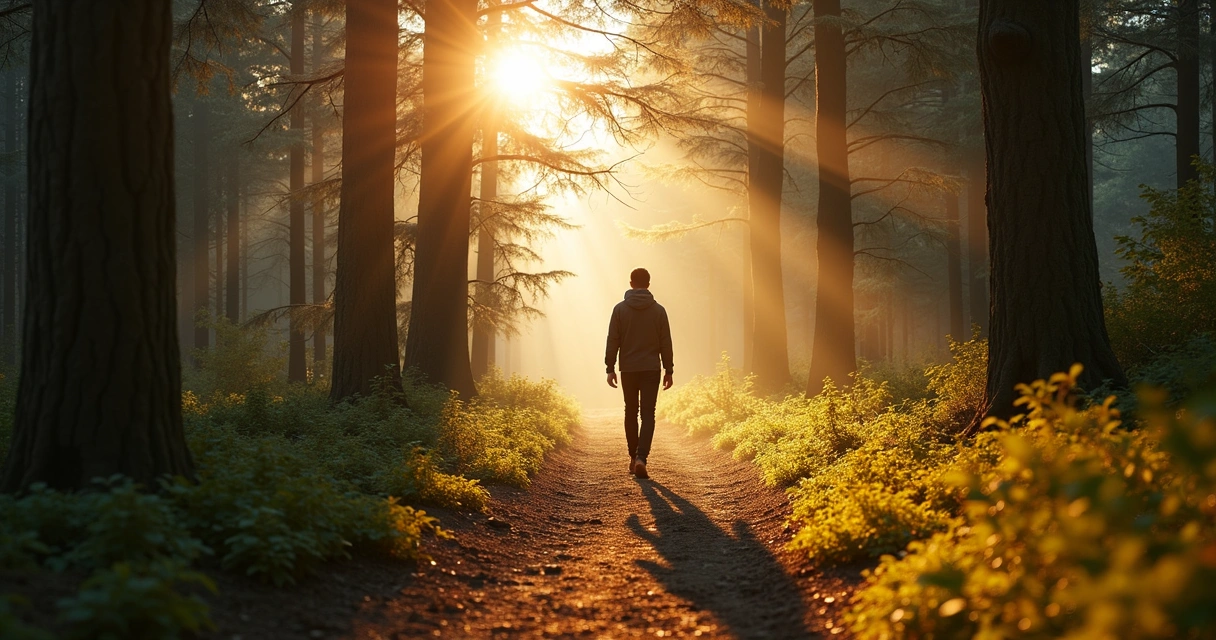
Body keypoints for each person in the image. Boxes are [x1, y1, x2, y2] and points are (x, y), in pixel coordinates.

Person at [605, 267, 674, 479]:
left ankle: (633, 458)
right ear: (649, 285)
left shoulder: (619, 310)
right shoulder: (659, 311)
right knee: (648, 414)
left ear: (631, 283)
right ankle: (642, 457)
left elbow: (613, 340)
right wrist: (668, 369)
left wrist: (610, 368)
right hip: (651, 369)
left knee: (630, 412)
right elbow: (666, 342)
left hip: (628, 369)